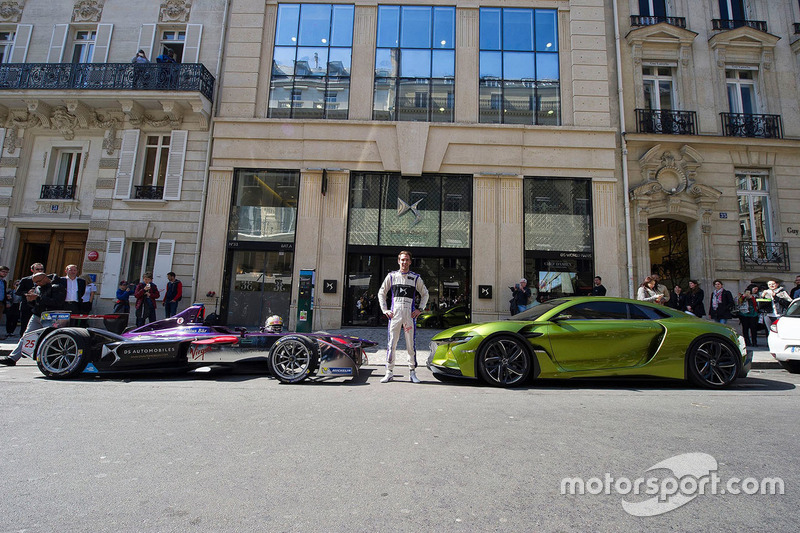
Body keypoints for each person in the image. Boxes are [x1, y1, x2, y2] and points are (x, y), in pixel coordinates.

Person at [377, 250, 429, 383]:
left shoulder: (415, 277)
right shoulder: (392, 276)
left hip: (409, 315)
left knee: (410, 344)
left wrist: (420, 309)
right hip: (395, 315)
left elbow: (425, 294)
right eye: (402, 259)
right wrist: (385, 310)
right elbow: (381, 292)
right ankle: (389, 372)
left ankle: (412, 372)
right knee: (391, 343)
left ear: (410, 262)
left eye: (407, 260)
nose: (404, 262)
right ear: (398, 261)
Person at [0, 272, 67, 366]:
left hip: (50, 316)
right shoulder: (37, 288)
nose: (37, 284)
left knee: (49, 338)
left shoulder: (57, 287)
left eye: (38, 282)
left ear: (44, 278)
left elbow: (57, 302)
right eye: (35, 283)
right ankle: (12, 358)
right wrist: (30, 300)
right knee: (26, 336)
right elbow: (34, 303)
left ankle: (51, 360)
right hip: (37, 315)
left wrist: (38, 298)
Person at [16, 263, 45, 333]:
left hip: (39, 307)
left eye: (41, 269)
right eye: (37, 269)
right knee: (25, 325)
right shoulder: (25, 280)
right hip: (27, 306)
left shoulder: (45, 280)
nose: (40, 271)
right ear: (32, 270)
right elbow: (18, 292)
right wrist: (27, 293)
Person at [0, 265, 8, 339]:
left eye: (6, 272)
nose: (5, 273)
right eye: (3, 271)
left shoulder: (4, 282)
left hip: (1, 302)